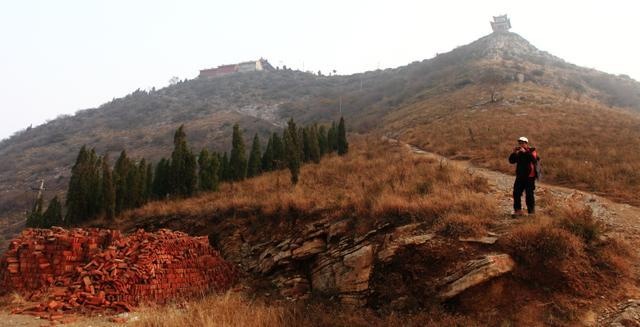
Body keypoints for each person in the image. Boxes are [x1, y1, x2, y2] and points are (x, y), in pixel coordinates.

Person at [508, 136, 540, 217]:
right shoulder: (519, 152)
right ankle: (518, 211)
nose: (521, 144)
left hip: (530, 177)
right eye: (520, 143)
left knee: (529, 194)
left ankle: (531, 213)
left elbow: (534, 160)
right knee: (516, 193)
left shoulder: (532, 151)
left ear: (526, 143)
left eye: (523, 143)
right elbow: (511, 161)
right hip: (520, 176)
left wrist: (525, 152)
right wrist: (514, 152)